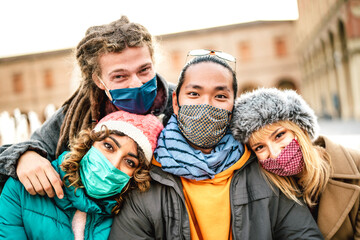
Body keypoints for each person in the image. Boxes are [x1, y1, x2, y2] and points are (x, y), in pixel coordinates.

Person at [108, 52, 324, 239]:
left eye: (220, 96)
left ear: (233, 105)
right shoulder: (147, 179)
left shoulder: (264, 173)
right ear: (175, 102)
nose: (206, 104)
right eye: (194, 94)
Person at [0, 15, 175, 198]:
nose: (136, 83)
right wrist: (24, 157)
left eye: (144, 70)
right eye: (120, 76)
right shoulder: (78, 114)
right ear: (98, 80)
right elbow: (26, 148)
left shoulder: (181, 102)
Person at [0, 110, 164, 239]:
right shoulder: (21, 188)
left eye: (130, 162)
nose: (113, 165)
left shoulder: (130, 214)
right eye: (108, 146)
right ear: (89, 144)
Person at [230, 87, 360, 240]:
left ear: (300, 129)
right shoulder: (264, 188)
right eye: (259, 147)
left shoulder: (356, 165)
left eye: (279, 135)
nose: (275, 153)